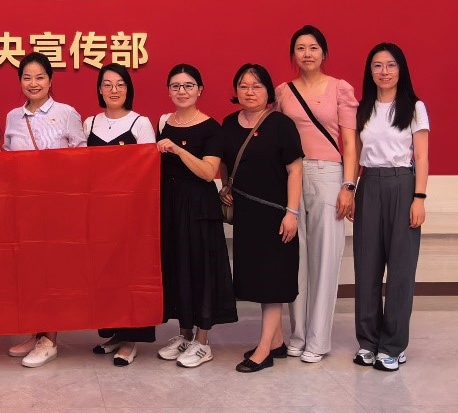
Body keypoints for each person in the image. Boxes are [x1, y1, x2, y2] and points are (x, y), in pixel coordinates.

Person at [273, 25, 359, 363]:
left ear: (324, 53)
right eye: (300, 48)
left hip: (328, 175)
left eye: (313, 48)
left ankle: (319, 339)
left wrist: (349, 186)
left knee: (325, 259)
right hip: (292, 175)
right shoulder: (283, 92)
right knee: (295, 258)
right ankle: (297, 334)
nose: (307, 54)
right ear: (292, 54)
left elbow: (350, 142)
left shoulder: (340, 88)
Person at [348, 43, 430, 372]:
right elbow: (354, 154)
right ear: (370, 71)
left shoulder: (414, 107)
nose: (384, 71)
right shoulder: (363, 108)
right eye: (377, 65)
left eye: (391, 65)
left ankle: (393, 346)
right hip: (369, 184)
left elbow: (421, 156)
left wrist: (419, 198)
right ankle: (368, 341)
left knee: (400, 270)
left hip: (403, 184)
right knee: (366, 266)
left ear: (401, 69)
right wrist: (351, 190)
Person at [3, 52, 86, 368]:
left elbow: (82, 155)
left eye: (39, 77)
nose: (33, 83)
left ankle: (50, 339)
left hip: (57, 205)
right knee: (30, 271)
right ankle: (36, 333)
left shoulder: (66, 113)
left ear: (50, 81)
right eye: (27, 77)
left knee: (53, 271)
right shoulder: (13, 116)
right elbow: (7, 158)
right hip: (24, 205)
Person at [220, 63, 303, 373]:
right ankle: (277, 341)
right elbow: (225, 162)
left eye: (256, 86)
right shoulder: (228, 123)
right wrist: (225, 187)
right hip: (246, 216)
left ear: (268, 91)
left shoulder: (282, 124)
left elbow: (295, 170)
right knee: (258, 280)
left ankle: (264, 349)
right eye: (243, 86)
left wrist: (291, 212)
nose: (250, 91)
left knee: (273, 283)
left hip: (276, 215)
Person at [153, 63, 237, 369]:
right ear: (168, 91)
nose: (182, 91)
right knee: (178, 268)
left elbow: (206, 171)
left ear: (200, 90)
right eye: (175, 86)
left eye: (188, 86)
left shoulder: (211, 128)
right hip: (171, 207)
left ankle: (203, 342)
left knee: (201, 271)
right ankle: (185, 334)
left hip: (199, 208)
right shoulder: (164, 123)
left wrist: (178, 149)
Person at [85, 63, 157, 366]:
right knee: (105, 274)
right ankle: (114, 332)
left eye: (120, 84)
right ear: (100, 90)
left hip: (132, 213)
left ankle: (131, 340)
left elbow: (148, 170)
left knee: (132, 274)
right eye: (107, 84)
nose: (114, 90)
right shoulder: (89, 123)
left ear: (129, 89)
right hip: (99, 213)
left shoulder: (141, 123)